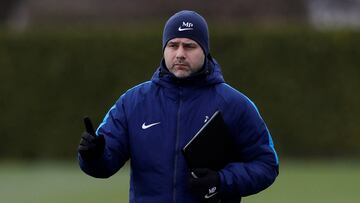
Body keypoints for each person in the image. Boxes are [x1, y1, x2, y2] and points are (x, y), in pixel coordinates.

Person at [78, 10, 279, 203]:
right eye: (173, 45)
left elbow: (267, 165)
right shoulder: (133, 102)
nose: (180, 54)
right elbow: (104, 165)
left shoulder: (236, 104)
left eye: (189, 46)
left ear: (205, 51)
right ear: (164, 49)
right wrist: (92, 156)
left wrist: (221, 181)